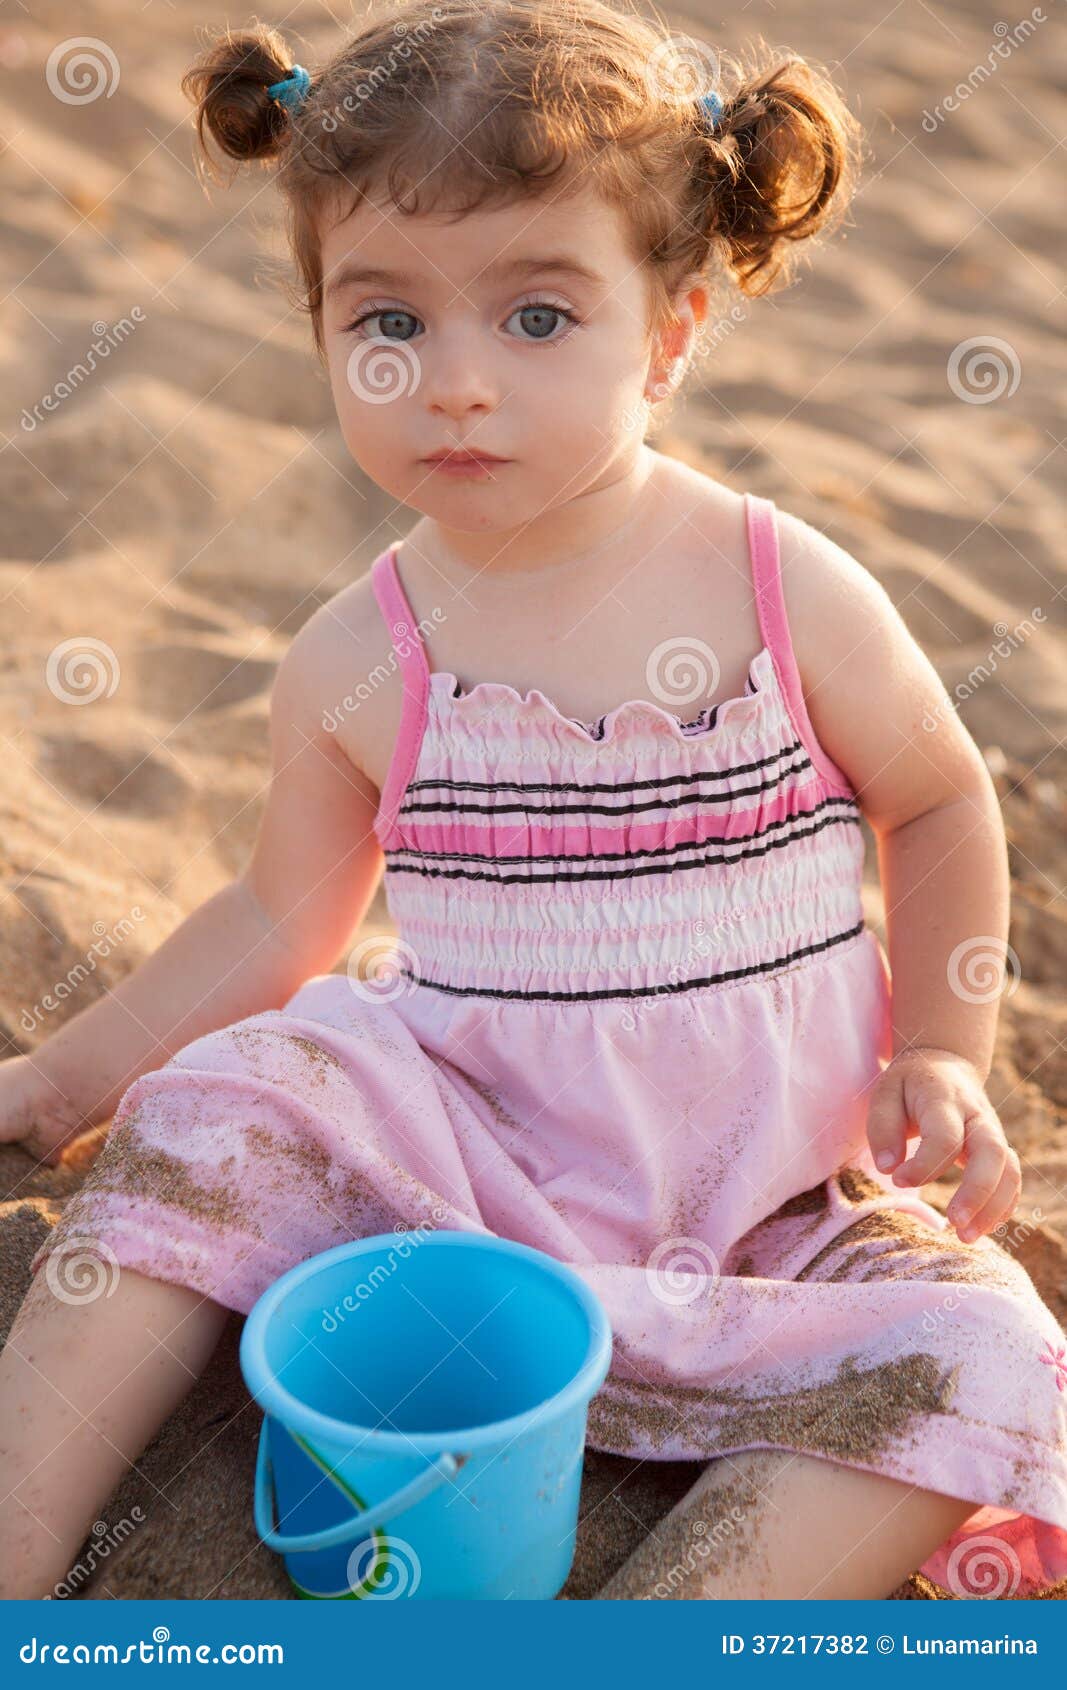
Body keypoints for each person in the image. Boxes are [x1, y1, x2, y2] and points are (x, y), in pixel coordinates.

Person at [2, 0, 1064, 1602]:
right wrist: (66, 1075)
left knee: (987, 1351)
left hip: (770, 1202)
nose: (456, 386)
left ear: (678, 327)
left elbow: (936, 802)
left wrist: (940, 1049)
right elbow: (278, 923)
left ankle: (676, 1618)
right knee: (204, 1118)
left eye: (539, 317)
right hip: (459, 1161)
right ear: (320, 327)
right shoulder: (362, 652)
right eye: (388, 323)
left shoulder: (782, 590)